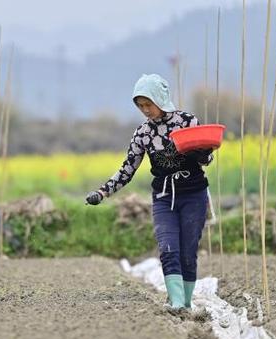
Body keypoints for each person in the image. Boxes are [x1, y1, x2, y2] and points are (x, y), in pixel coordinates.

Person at [85, 73, 213, 313]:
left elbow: (208, 158)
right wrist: (102, 192)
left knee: (187, 252)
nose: (145, 110)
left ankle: (186, 302)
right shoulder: (142, 133)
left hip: (193, 194)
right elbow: (127, 169)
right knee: (167, 247)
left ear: (160, 99)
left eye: (148, 104)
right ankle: (175, 301)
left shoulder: (187, 121)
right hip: (164, 197)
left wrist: (200, 154)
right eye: (140, 106)